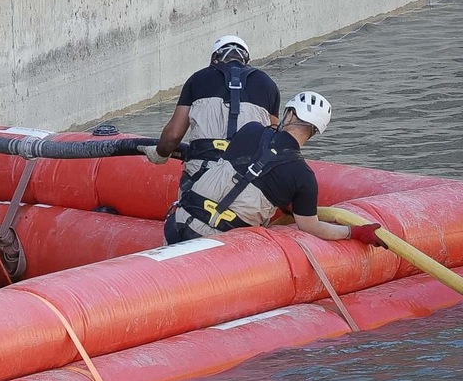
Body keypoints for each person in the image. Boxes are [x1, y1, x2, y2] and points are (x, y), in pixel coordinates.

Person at [164, 90, 386, 246]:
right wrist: (355, 232)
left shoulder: (250, 130)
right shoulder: (303, 177)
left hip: (178, 225)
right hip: (218, 247)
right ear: (314, 132)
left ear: (289, 114)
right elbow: (312, 227)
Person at [152, 35, 281, 163]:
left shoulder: (197, 79)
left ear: (214, 59)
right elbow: (273, 139)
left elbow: (173, 135)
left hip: (203, 170)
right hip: (249, 174)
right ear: (246, 60)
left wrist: (160, 155)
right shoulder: (268, 84)